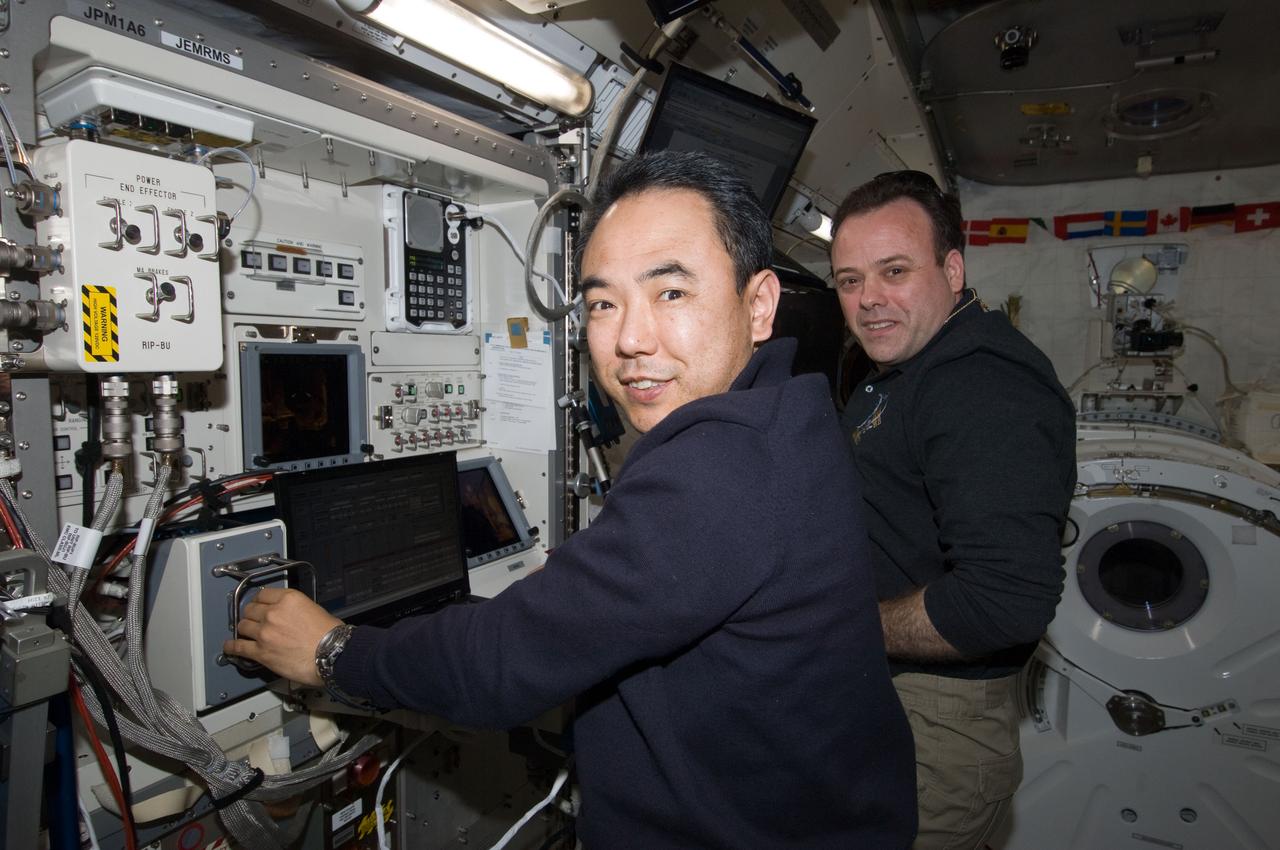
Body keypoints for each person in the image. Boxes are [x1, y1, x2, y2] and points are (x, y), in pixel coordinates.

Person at [226, 151, 916, 848]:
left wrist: (332, 648)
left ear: (758, 304)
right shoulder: (792, 414)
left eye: (670, 293)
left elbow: (500, 663)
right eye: (603, 304)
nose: (630, 340)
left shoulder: (718, 465)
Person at [830, 170, 1075, 849]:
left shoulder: (981, 385)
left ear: (953, 268)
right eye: (850, 281)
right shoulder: (905, 372)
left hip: (937, 728)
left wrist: (843, 625)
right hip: (897, 702)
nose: (869, 300)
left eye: (894, 271)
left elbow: (1004, 601)